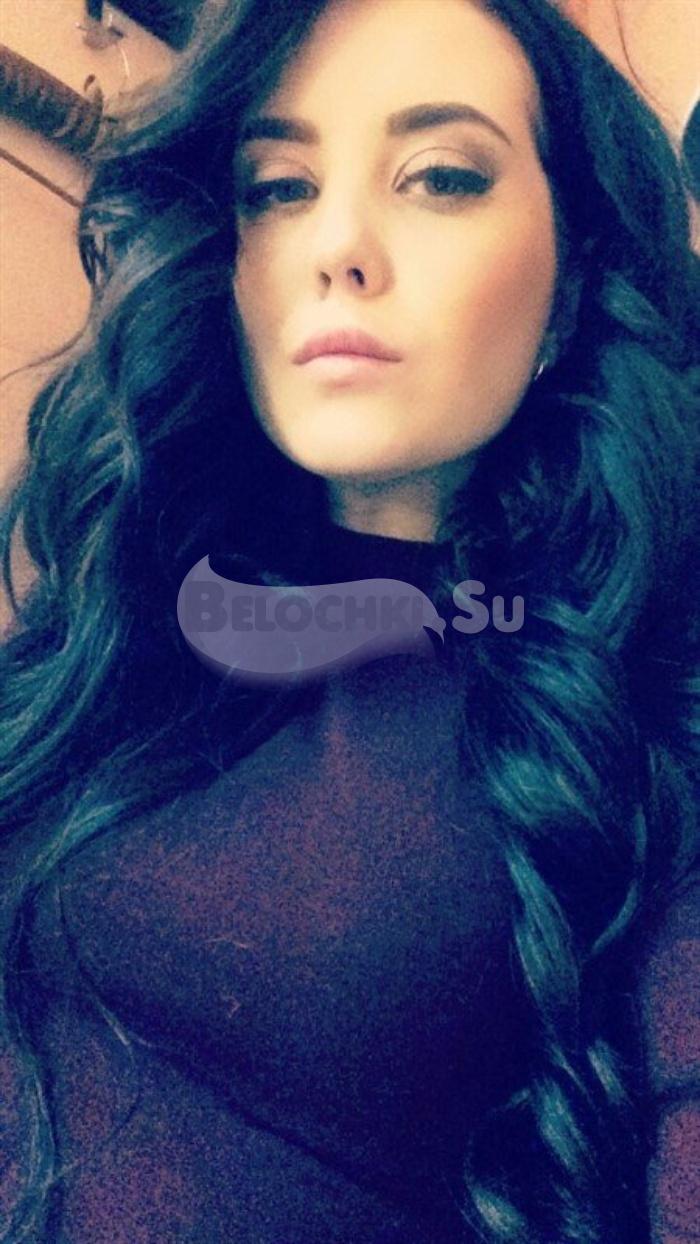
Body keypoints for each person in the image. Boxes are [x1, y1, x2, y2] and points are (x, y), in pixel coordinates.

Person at [0, 0, 698, 1240]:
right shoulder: (130, 606)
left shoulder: (640, 711)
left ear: (571, 286)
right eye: (280, 188)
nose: (339, 247)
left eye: (439, 176)